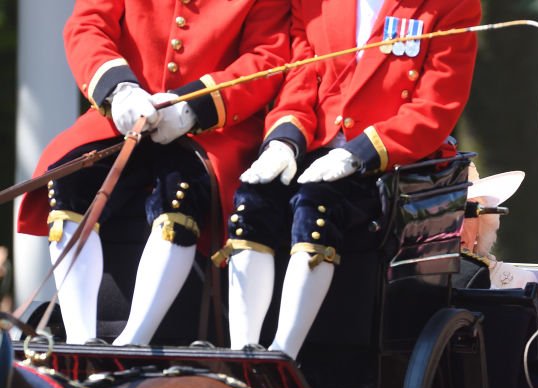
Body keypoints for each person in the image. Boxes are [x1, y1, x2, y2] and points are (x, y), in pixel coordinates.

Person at [17, 0, 291, 345]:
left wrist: (195, 105)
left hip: (209, 132)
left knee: (179, 195)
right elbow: (87, 25)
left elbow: (267, 56)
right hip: (121, 118)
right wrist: (117, 89)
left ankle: (132, 341)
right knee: (69, 184)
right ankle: (80, 339)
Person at [219, 0, 482, 357]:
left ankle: (283, 357)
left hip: (388, 166)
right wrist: (283, 140)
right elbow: (299, 80)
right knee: (253, 198)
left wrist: (358, 154)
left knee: (318, 203)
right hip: (314, 148)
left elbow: (436, 107)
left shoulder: (451, 6)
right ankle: (242, 352)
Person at [459, 164, 538, 289]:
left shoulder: (518, 282)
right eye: (440, 214)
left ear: (481, 221)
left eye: (466, 212)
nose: (457, 227)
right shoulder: (417, 279)